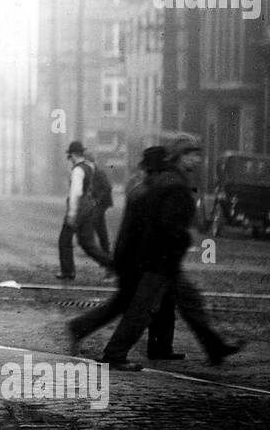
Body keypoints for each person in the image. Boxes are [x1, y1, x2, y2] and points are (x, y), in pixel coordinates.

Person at [100, 134, 242, 370]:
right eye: (192, 155)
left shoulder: (172, 178)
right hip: (161, 259)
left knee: (190, 301)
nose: (197, 160)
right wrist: (183, 238)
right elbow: (167, 225)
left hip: (164, 258)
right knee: (142, 309)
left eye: (198, 155)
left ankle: (215, 347)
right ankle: (114, 353)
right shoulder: (173, 182)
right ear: (180, 156)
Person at [65, 145, 167, 354]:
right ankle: (116, 351)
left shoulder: (140, 190)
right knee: (138, 307)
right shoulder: (145, 193)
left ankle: (80, 328)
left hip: (129, 258)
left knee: (121, 304)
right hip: (135, 261)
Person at [56, 140, 112, 280]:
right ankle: (113, 265)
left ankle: (68, 271)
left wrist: (72, 214)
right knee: (87, 243)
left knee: (64, 240)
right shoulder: (89, 167)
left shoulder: (77, 170)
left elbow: (76, 192)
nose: (70, 159)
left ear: (74, 155)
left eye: (70, 156)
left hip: (79, 208)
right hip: (88, 208)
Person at [86, 150, 115, 257]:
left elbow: (107, 187)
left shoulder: (99, 172)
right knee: (99, 225)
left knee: (95, 221)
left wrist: (98, 199)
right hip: (97, 203)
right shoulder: (90, 172)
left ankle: (99, 249)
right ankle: (105, 250)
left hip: (103, 202)